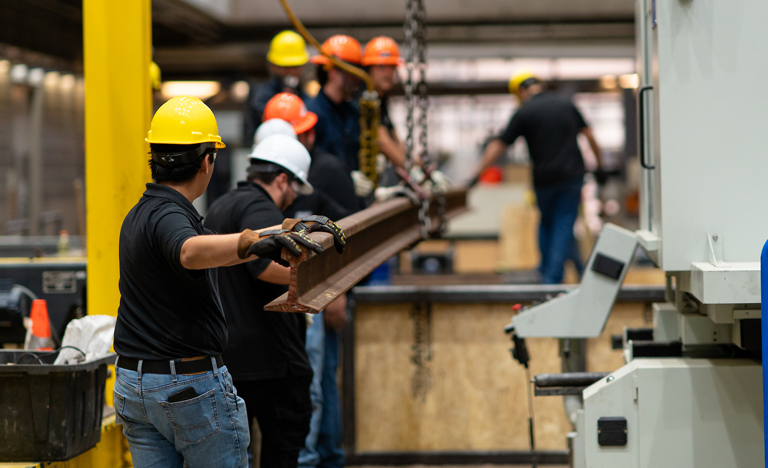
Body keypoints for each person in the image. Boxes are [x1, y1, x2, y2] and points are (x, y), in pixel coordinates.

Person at [113, 96, 323, 468]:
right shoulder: (170, 218)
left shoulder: (141, 213)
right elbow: (190, 251)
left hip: (134, 384)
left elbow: (205, 241)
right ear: (208, 161)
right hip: (184, 388)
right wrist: (253, 244)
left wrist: (282, 230)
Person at [204, 134, 345, 468]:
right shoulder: (262, 208)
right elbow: (263, 266)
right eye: (295, 189)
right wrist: (322, 276)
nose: (292, 199)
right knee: (283, 449)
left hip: (226, 358)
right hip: (269, 361)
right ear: (283, 180)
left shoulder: (221, 205)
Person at [260, 93, 358, 468]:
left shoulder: (324, 174)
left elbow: (347, 233)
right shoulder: (273, 188)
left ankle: (318, 459)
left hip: (311, 300)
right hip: (294, 300)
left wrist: (336, 292)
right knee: (315, 383)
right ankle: (322, 457)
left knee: (316, 384)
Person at [471, 71, 603, 284]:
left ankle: (550, 278)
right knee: (562, 225)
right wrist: (601, 166)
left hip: (543, 181)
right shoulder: (566, 105)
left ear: (522, 91)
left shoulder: (525, 111)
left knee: (550, 224)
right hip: (571, 177)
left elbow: (499, 145)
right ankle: (560, 274)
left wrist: (476, 174)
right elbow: (589, 135)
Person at [306, 35, 372, 199]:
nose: (357, 78)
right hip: (323, 203)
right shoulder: (311, 113)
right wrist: (345, 180)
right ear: (334, 72)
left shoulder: (353, 112)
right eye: (352, 72)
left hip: (352, 201)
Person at [244, 30, 310, 147]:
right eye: (285, 67)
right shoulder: (260, 97)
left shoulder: (306, 99)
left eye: (294, 67)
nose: (290, 72)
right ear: (273, 66)